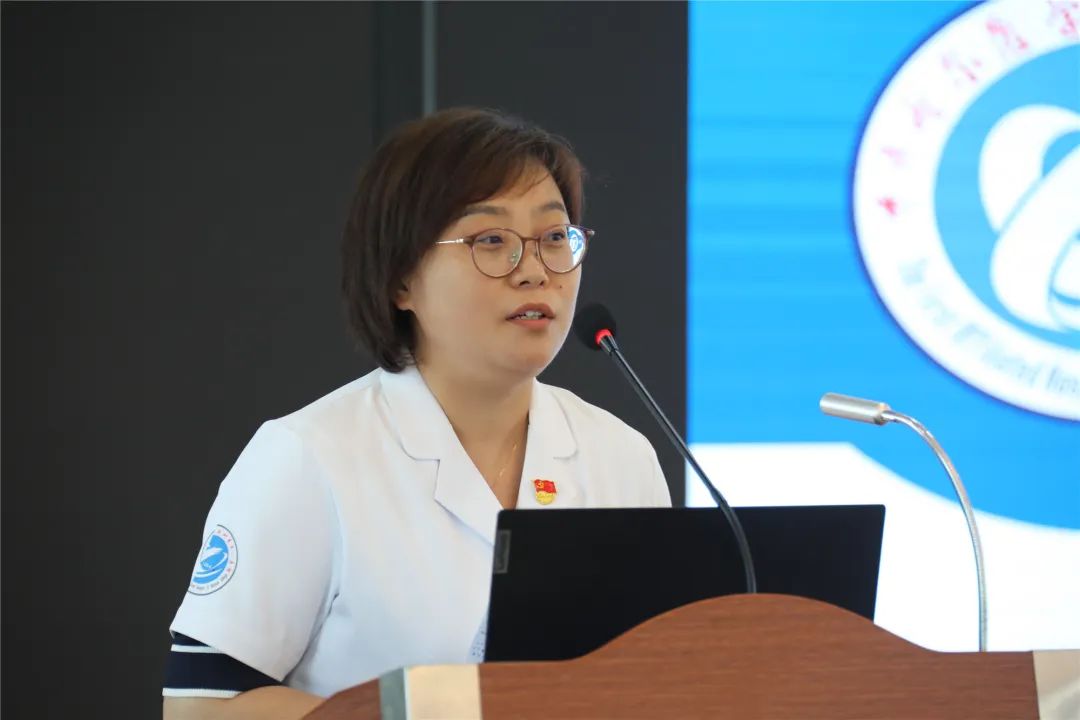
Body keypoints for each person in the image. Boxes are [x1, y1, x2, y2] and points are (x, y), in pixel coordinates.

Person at [161, 107, 671, 720]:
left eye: (555, 237)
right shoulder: (308, 457)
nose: (535, 270)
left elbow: (659, 682)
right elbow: (201, 706)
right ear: (402, 278)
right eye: (491, 241)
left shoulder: (622, 457)